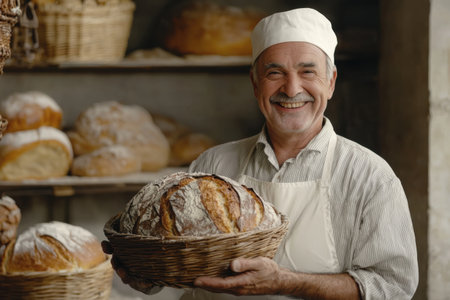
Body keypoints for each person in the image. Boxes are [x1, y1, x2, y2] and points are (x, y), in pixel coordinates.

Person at [102, 7, 419, 300]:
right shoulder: (213, 164)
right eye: (275, 73)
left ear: (331, 82)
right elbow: (181, 262)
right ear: (255, 83)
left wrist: (288, 282)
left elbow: (393, 286)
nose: (291, 89)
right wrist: (148, 273)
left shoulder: (368, 176)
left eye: (308, 72)